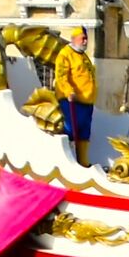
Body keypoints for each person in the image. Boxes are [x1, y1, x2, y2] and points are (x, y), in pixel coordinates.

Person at [51, 26, 98, 166]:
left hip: (87, 101)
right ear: (74, 39)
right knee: (70, 130)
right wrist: (68, 91)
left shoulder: (84, 56)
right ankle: (67, 161)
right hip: (72, 101)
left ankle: (82, 161)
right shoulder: (65, 54)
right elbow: (61, 75)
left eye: (86, 38)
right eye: (82, 38)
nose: (85, 41)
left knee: (84, 132)